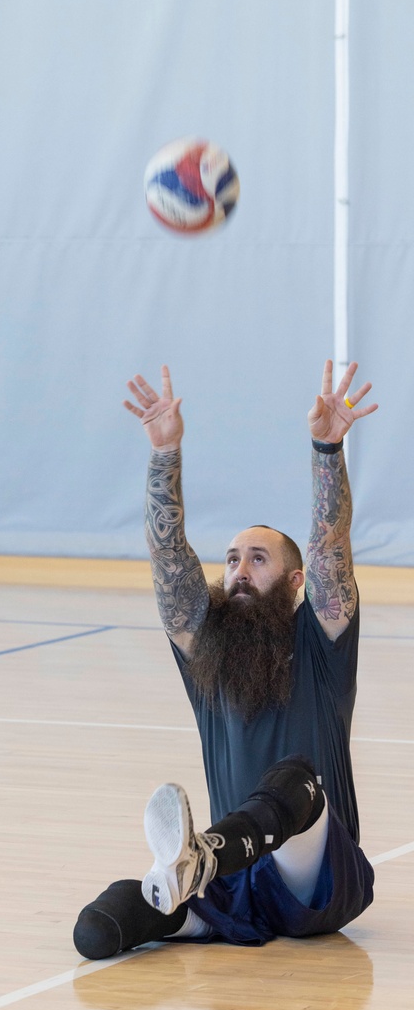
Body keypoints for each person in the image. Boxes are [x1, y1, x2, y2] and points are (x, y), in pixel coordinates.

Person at [73, 360, 377, 959]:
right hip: (238, 885)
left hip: (321, 883)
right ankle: (188, 893)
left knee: (297, 782)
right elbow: (168, 557)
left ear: (295, 581)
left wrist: (326, 448)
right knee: (101, 925)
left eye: (258, 559)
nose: (239, 569)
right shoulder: (207, 651)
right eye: (233, 558)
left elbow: (329, 544)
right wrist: (165, 453)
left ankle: (203, 857)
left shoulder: (323, 644)